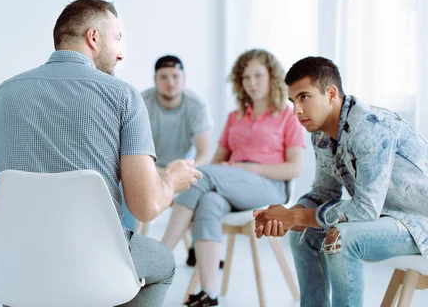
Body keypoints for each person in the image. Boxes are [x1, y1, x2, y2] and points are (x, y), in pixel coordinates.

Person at [0, 0, 202, 307]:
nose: (120, 52)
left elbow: (1, 190)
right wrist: (171, 180)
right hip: (94, 267)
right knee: (164, 263)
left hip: (17, 269)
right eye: (117, 39)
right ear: (93, 37)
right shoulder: (123, 96)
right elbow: (145, 206)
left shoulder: (2, 95)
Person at [253, 56, 428, 307]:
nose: (296, 110)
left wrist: (296, 217)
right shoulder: (321, 135)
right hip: (389, 217)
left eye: (304, 97)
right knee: (303, 235)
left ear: (331, 93)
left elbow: (366, 209)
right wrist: (290, 215)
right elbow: (324, 192)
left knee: (340, 239)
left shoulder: (369, 128)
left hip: (420, 223)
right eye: (292, 101)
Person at [161, 49, 305, 307]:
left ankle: (160, 257)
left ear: (272, 76)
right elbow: (217, 162)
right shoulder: (234, 117)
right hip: (231, 184)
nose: (252, 83)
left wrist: (248, 169)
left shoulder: (287, 115)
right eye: (246, 77)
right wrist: (229, 172)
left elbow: (294, 169)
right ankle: (208, 294)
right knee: (209, 202)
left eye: (258, 75)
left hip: (270, 187)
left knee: (203, 178)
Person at [137, 55, 212, 264]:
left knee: (201, 189)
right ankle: (129, 247)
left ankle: (198, 249)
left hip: (182, 167)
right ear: (155, 79)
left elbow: (204, 153)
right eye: (164, 77)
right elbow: (131, 149)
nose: (170, 82)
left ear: (184, 78)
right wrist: (156, 171)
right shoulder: (141, 103)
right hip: (149, 168)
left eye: (175, 76)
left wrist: (184, 170)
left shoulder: (196, 106)